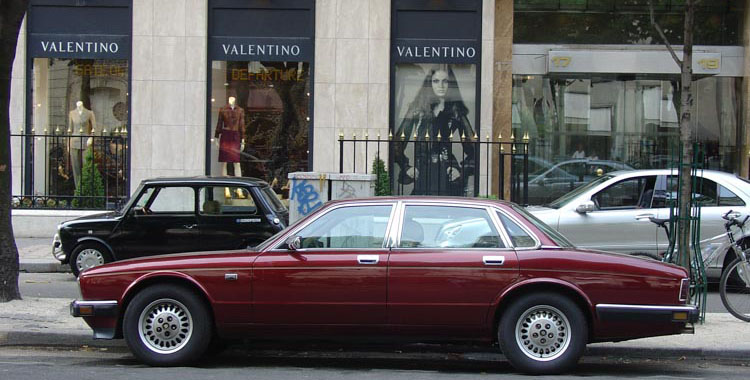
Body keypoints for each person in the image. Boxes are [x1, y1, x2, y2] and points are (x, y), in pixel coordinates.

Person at [394, 66, 475, 196]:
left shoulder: (456, 111)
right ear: (430, 83)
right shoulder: (418, 109)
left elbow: (474, 149)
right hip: (423, 172)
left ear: (451, 84)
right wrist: (407, 167)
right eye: (436, 81)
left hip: (446, 172)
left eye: (445, 81)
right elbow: (396, 143)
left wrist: (460, 170)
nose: (441, 86)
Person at [214, 96, 245, 177]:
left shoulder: (240, 110)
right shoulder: (223, 109)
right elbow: (219, 124)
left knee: (237, 161)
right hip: (226, 136)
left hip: (235, 136)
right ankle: (225, 187)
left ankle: (239, 186)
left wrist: (243, 140)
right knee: (224, 162)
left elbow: (242, 126)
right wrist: (216, 137)